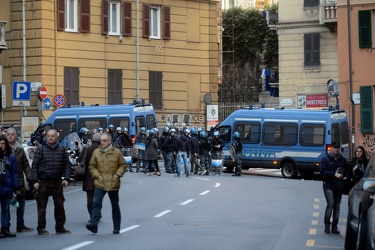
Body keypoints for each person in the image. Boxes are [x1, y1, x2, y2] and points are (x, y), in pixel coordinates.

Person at [32, 129, 72, 235]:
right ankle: (41, 228)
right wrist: (35, 181)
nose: (50, 138)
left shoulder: (62, 149)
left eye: (52, 136)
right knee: (41, 206)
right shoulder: (41, 148)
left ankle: (60, 227)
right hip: (44, 181)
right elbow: (35, 165)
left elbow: (67, 165)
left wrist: (66, 179)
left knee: (59, 205)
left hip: (57, 182)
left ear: (56, 137)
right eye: (48, 136)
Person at [86, 133, 126, 234]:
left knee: (115, 205)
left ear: (109, 141)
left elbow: (123, 164)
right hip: (100, 182)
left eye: (104, 140)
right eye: (101, 140)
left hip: (113, 182)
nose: (102, 142)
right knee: (97, 202)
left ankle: (117, 227)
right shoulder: (96, 152)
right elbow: (91, 166)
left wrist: (117, 175)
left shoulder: (116, 152)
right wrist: (97, 175)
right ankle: (93, 224)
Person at [6, 128, 34, 233]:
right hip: (7, 183)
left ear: (16, 136)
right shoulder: (3, 148)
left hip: (19, 181)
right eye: (8, 134)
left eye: (12, 134)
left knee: (20, 203)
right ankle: (6, 226)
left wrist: (30, 178)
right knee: (7, 205)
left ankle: (20, 225)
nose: (10, 136)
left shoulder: (20, 149)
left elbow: (26, 165)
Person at [319, 141, 347, 234]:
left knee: (337, 207)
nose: (336, 149)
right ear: (331, 148)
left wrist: (344, 176)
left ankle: (334, 226)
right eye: (334, 147)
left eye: (337, 147)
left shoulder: (342, 159)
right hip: (328, 185)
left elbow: (346, 170)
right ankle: (327, 225)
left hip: (339, 186)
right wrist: (333, 174)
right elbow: (322, 171)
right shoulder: (325, 159)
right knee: (330, 204)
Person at [77, 133, 101, 221]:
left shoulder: (87, 148)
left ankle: (92, 215)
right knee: (98, 197)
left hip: (88, 176)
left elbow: (79, 159)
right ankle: (97, 213)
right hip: (100, 176)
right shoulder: (102, 149)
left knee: (90, 197)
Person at [0, 135, 19, 238]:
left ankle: (5, 228)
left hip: (7, 186)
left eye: (3, 144)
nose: (1, 146)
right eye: (0, 144)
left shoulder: (11, 157)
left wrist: (16, 187)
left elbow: (15, 173)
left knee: (5, 209)